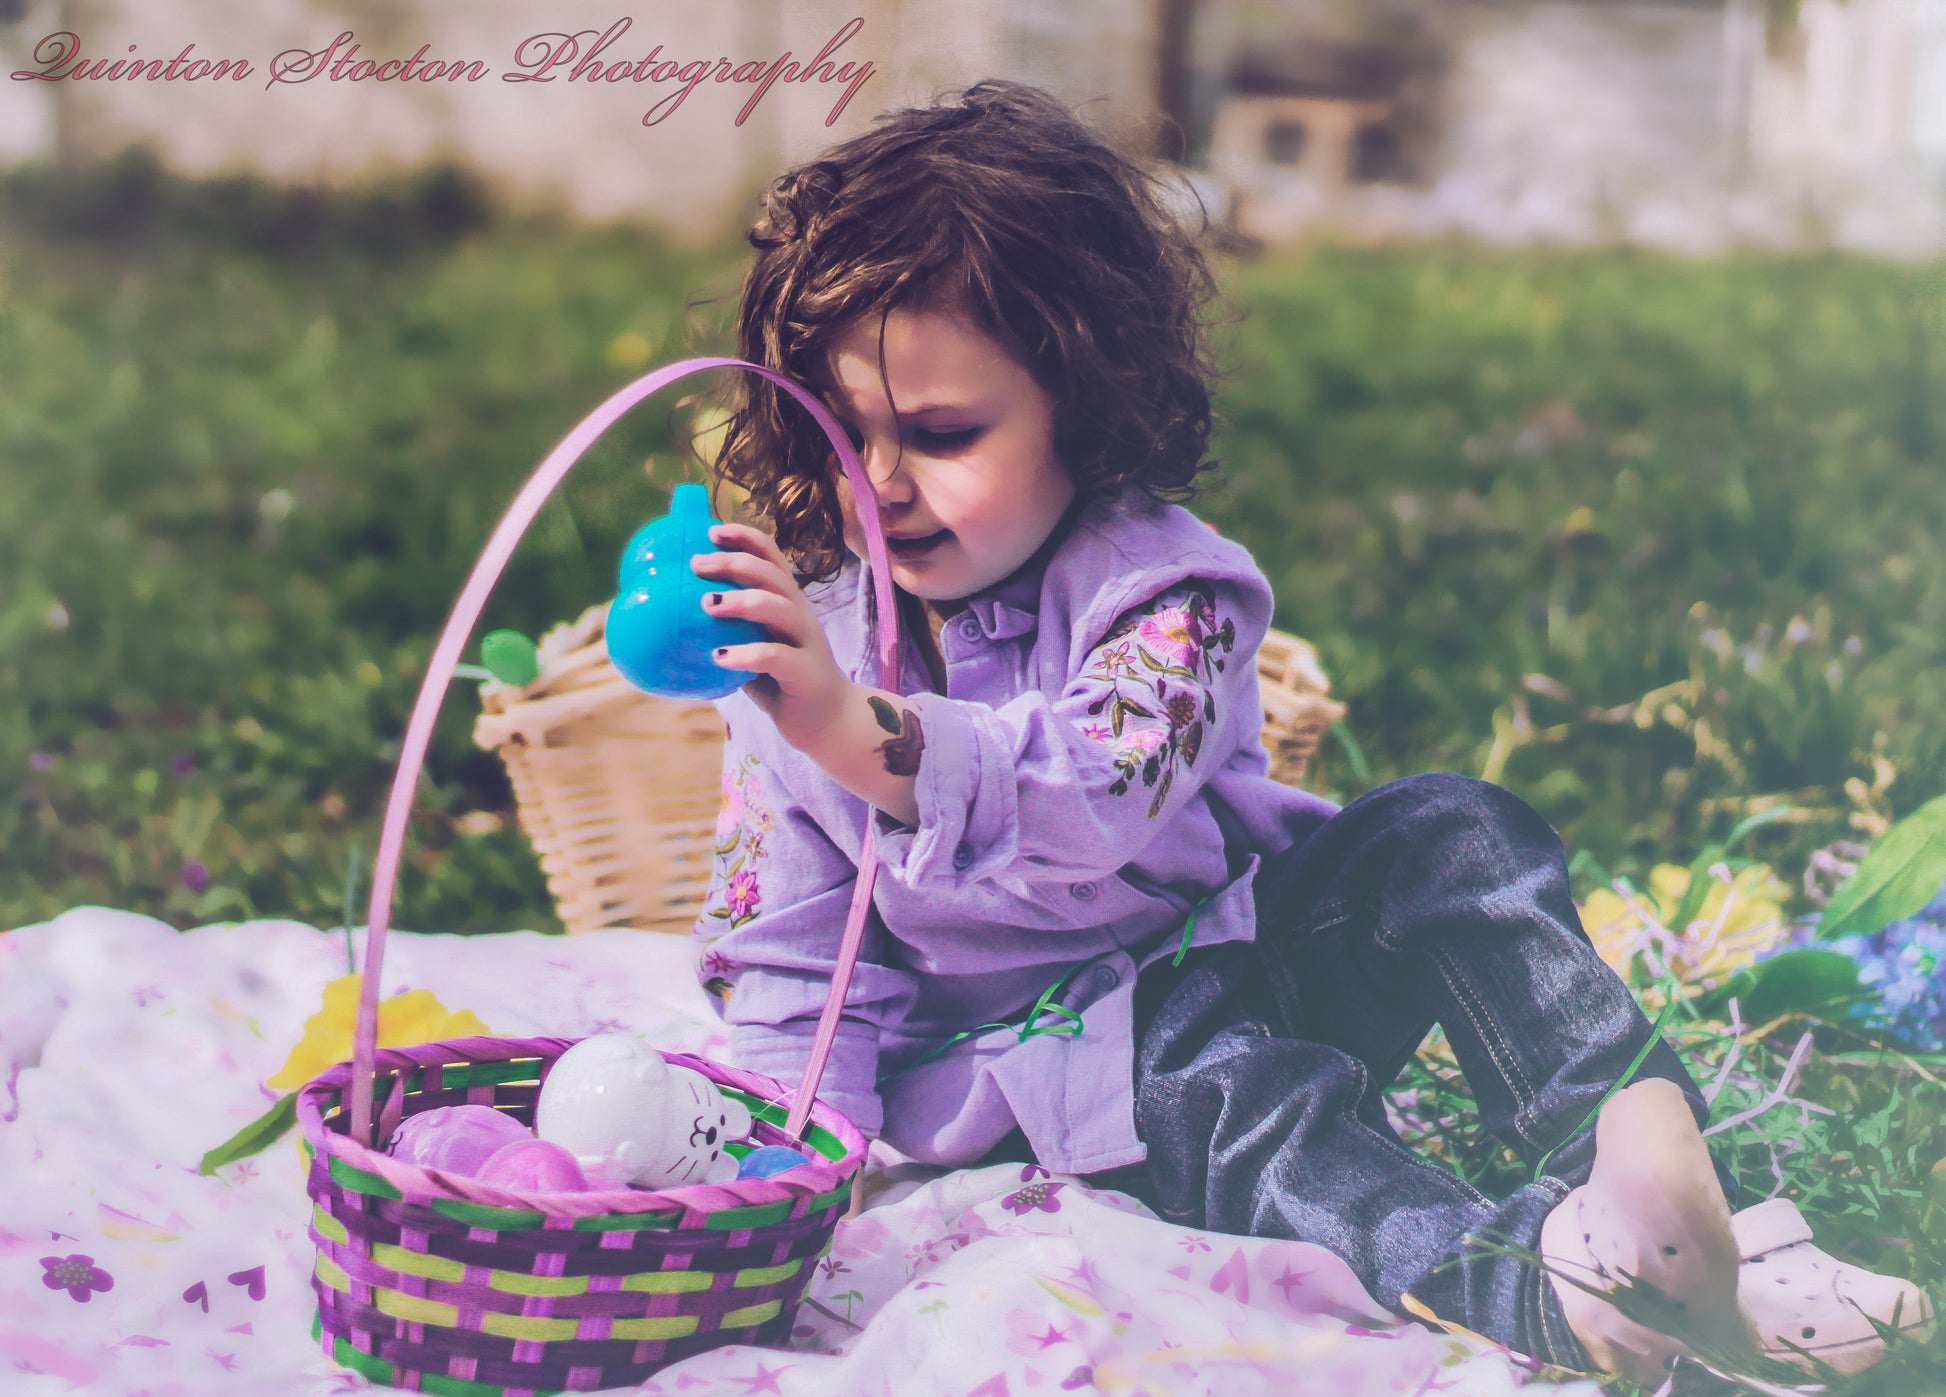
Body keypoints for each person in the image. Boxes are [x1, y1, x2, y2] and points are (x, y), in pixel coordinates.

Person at [683, 79, 1932, 1383]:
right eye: (842, 432)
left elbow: (1096, 792)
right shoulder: (803, 660)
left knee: (1451, 830)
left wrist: (859, 733)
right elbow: (794, 957)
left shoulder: (1170, 594)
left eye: (942, 434)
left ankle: (1702, 1212)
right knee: (1240, 1103)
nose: (880, 483)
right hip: (1056, 1080)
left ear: (1080, 401)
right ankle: (1549, 1283)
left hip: (1246, 955)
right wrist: (789, 1185)